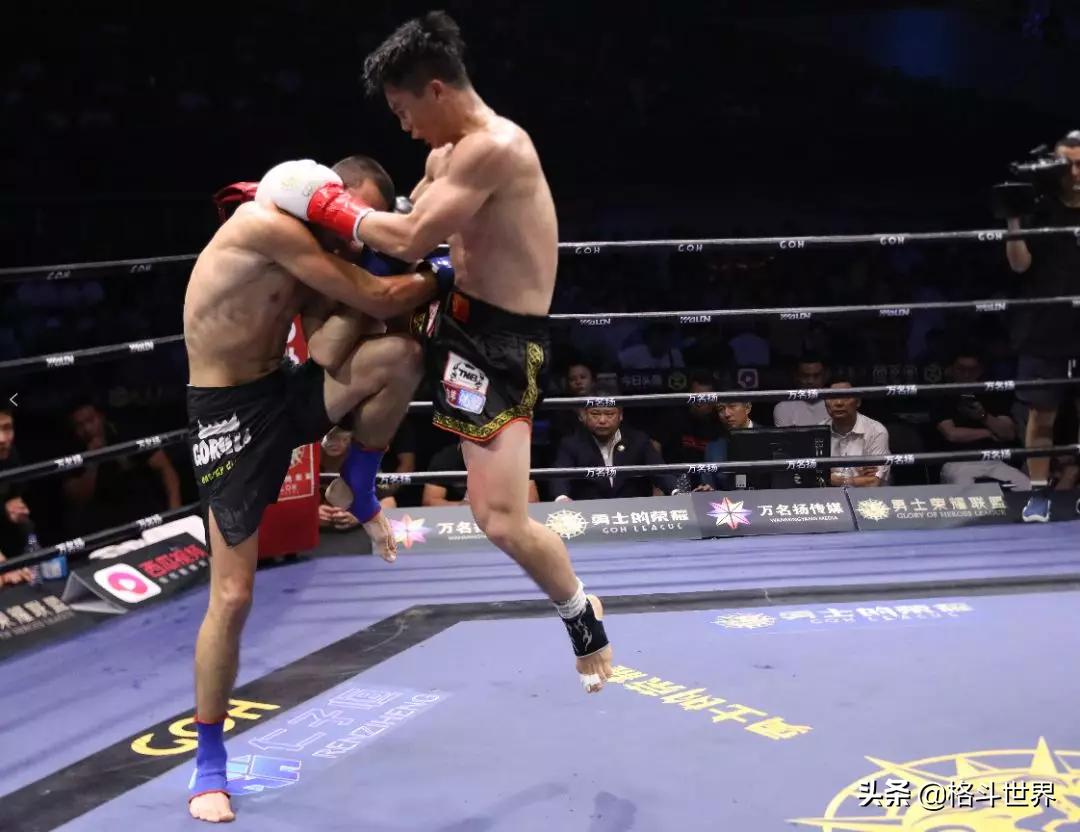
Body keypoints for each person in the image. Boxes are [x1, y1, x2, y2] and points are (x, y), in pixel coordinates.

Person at [255, 12, 614, 695]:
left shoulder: (496, 147)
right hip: (453, 318)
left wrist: (325, 204)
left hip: (504, 344)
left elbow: (412, 236)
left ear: (437, 90)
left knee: (499, 517)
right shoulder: (442, 157)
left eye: (403, 110)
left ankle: (579, 611)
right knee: (367, 342)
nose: (404, 127)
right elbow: (404, 231)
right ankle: (357, 481)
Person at [185, 155, 448, 823]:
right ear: (331, 196)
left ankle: (356, 486)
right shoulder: (266, 225)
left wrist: (378, 273)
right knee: (233, 595)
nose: (356, 233)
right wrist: (435, 273)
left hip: (282, 389)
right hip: (228, 415)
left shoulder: (319, 246)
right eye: (356, 216)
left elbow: (329, 351)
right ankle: (208, 760)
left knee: (401, 357)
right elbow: (378, 299)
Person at [1004, 130, 1080, 522]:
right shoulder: (1038, 206)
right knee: (1041, 413)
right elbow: (1020, 265)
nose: (1074, 172)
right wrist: (1012, 218)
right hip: (1045, 325)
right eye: (1068, 164)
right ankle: (1037, 493)